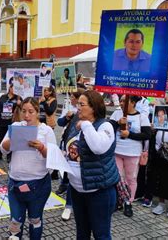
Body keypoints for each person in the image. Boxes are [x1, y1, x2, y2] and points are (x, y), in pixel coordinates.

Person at [0, 97, 57, 240]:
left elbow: (53, 157)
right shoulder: (16, 127)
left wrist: (42, 147)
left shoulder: (46, 131)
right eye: (23, 111)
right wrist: (12, 141)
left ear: (37, 112)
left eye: (31, 111)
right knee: (15, 221)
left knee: (35, 219)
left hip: (38, 184)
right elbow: (3, 149)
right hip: (16, 183)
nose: (26, 115)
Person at [68, 90, 119, 239]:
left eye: (81, 104)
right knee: (82, 233)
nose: (78, 107)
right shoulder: (77, 122)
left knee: (101, 234)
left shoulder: (105, 126)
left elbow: (98, 147)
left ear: (94, 107)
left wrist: (85, 125)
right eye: (78, 104)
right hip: (77, 190)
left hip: (99, 192)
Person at [110, 95, 152, 217]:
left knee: (131, 178)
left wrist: (130, 134)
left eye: (125, 100)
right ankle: (117, 200)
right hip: (117, 151)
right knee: (117, 177)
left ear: (132, 102)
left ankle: (128, 202)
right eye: (121, 100)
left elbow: (147, 135)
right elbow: (108, 128)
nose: (122, 103)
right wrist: (118, 123)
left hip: (132, 153)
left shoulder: (142, 117)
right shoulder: (117, 113)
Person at [56, 90, 83, 221]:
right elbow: (60, 123)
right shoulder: (72, 112)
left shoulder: (92, 119)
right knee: (70, 176)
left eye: (74, 97)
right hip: (69, 149)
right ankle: (69, 205)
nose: (72, 99)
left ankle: (75, 205)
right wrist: (67, 117)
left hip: (82, 154)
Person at [0, 84, 22, 162]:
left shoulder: (18, 98)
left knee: (11, 140)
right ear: (10, 88)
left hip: (12, 122)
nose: (14, 89)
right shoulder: (3, 97)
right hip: (2, 122)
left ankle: (9, 156)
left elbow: (23, 109)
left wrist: (20, 104)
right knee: (0, 139)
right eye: (13, 87)